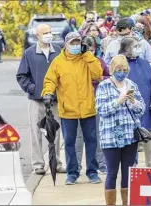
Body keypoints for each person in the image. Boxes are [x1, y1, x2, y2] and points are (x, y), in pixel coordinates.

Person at [41, 32, 103, 185]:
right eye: (72, 43)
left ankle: (92, 172)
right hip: (68, 109)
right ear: (66, 44)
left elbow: (98, 74)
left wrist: (87, 54)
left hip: (87, 108)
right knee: (69, 142)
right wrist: (47, 93)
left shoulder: (87, 59)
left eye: (78, 43)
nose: (75, 46)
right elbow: (49, 80)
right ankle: (72, 173)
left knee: (91, 141)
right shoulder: (58, 62)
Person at [16, 24, 65, 175]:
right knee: (36, 133)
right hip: (36, 100)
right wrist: (34, 90)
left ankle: (56, 163)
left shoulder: (58, 51)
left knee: (56, 133)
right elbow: (22, 76)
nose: (49, 35)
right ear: (37, 35)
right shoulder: (29, 53)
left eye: (50, 32)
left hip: (55, 100)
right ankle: (38, 165)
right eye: (45, 33)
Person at [96, 55, 145, 205]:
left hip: (130, 135)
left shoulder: (131, 85)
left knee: (128, 173)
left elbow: (142, 109)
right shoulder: (104, 86)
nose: (122, 72)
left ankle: (126, 202)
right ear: (112, 69)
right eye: (118, 69)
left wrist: (133, 101)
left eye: (124, 70)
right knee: (112, 173)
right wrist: (117, 101)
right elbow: (101, 110)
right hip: (110, 136)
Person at [119, 37, 151, 168]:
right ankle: (130, 179)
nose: (138, 48)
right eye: (135, 46)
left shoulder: (145, 63)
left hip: (147, 113)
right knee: (130, 154)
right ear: (126, 49)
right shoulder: (121, 65)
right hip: (128, 116)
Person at [75, 35, 110, 175]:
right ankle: (76, 166)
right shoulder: (76, 63)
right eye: (86, 49)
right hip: (79, 104)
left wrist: (101, 79)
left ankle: (101, 164)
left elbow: (109, 77)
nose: (88, 52)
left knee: (97, 135)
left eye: (91, 49)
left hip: (96, 102)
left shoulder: (99, 62)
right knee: (78, 138)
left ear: (95, 49)